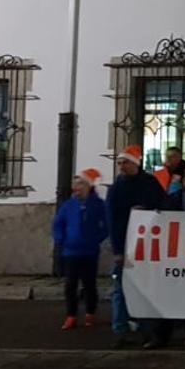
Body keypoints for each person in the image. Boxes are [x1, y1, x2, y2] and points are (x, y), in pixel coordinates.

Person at [105, 144, 163, 348]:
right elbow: (112, 220)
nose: (121, 167)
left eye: (125, 163)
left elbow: (164, 207)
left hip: (148, 247)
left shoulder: (149, 183)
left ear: (135, 163)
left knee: (145, 290)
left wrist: (146, 209)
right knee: (120, 290)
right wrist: (118, 250)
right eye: (119, 163)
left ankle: (149, 331)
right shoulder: (116, 188)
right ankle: (120, 330)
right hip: (126, 247)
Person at [53, 168, 109, 331]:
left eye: (80, 185)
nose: (76, 188)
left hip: (90, 252)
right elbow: (58, 223)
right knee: (70, 285)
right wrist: (60, 239)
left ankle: (90, 313)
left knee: (89, 284)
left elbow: (106, 225)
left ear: (88, 186)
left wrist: (97, 238)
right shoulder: (68, 205)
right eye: (75, 185)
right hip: (70, 252)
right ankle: (71, 315)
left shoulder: (98, 205)